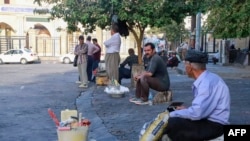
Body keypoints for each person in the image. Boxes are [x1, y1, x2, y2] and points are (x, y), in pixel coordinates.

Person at [163, 50, 230, 141]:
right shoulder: (208, 78)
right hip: (208, 121)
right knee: (175, 122)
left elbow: (197, 113)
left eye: (184, 64)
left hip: (215, 126)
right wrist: (186, 110)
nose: (184, 67)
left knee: (172, 123)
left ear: (189, 66)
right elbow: (201, 109)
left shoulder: (206, 83)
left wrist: (171, 114)